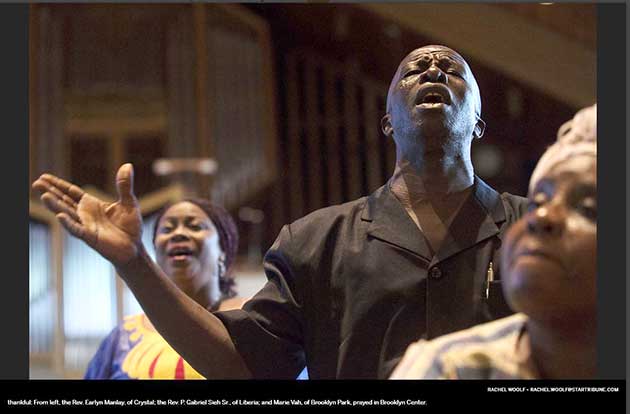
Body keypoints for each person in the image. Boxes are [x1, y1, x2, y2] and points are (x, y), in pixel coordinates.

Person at [33, 45, 528, 379]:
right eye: (415, 71)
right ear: (387, 122)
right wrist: (134, 262)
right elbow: (241, 366)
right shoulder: (315, 240)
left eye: (452, 70)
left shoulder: (533, 228)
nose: (435, 72)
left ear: (479, 123)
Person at [390, 104, 597, 379]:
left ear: (477, 125)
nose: (542, 217)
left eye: (589, 209)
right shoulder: (448, 369)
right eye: (537, 203)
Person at [84, 199, 245, 379]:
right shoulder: (122, 336)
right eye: (167, 229)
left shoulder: (250, 317)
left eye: (195, 226)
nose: (178, 233)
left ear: (223, 250)